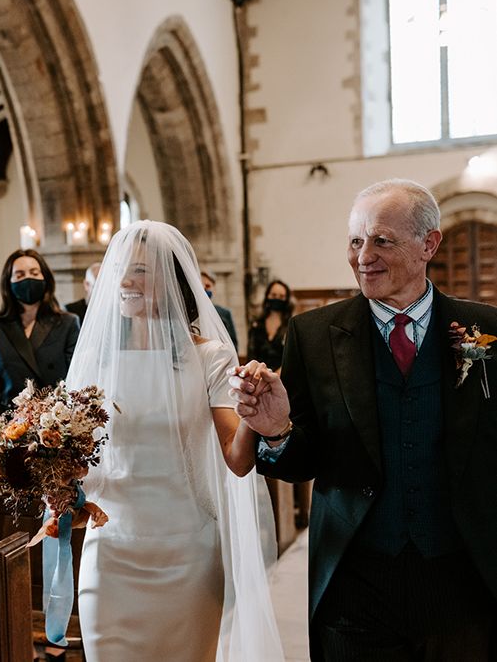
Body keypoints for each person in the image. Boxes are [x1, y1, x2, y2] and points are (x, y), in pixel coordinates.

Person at [229, 179, 497, 661]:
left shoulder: (486, 331)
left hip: (463, 581)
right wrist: (278, 432)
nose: (363, 255)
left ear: (429, 244)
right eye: (355, 240)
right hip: (355, 584)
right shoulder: (312, 336)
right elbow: (303, 459)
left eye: (381, 240)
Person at [66, 221, 283, 662]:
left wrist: (253, 415)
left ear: (171, 280)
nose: (126, 280)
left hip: (187, 550)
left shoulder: (209, 357)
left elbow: (237, 462)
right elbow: (76, 456)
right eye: (122, 269)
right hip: (110, 548)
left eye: (142, 271)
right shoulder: (95, 359)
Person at [0, 249, 80, 430]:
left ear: (45, 278)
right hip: (7, 429)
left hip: (54, 428)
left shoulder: (68, 323)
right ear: (8, 283)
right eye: (19, 274)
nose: (28, 279)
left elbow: (77, 378)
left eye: (34, 273)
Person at [247, 279, 293, 371]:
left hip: (283, 377)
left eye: (281, 296)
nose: (277, 298)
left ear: (286, 299)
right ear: (267, 296)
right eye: (274, 295)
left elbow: (292, 357)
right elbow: (251, 354)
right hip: (259, 376)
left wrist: (276, 375)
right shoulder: (256, 325)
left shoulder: (291, 325)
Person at [201, 269, 239, 352]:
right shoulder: (191, 314)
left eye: (207, 286)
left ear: (213, 288)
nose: (204, 289)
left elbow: (233, 342)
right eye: (201, 286)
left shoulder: (224, 313)